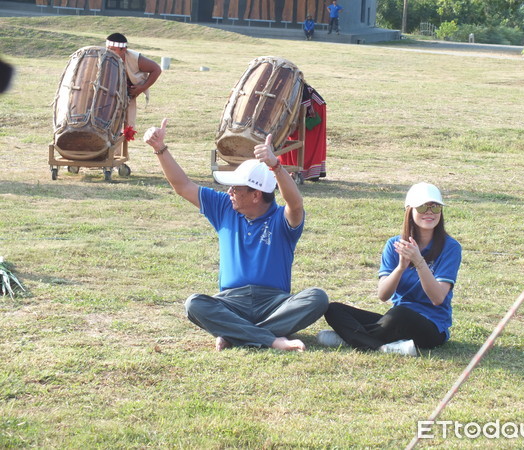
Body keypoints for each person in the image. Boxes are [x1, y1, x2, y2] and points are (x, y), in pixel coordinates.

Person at [143, 119, 329, 352]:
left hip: (275, 302)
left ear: (256, 195)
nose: (228, 192)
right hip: (230, 302)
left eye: (236, 188)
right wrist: (160, 149)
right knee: (194, 304)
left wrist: (276, 166)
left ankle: (234, 333)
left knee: (317, 298)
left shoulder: (282, 218)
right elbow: (183, 186)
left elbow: (296, 203)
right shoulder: (224, 207)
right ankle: (271, 338)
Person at [318, 183, 462, 355]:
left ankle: (349, 338)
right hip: (394, 320)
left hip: (432, 326)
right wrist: (401, 267)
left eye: (435, 207)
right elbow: (383, 295)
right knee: (333, 309)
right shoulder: (394, 245)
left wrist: (419, 261)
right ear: (409, 210)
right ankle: (382, 347)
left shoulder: (450, 247)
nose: (429, 212)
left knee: (399, 314)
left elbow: (437, 298)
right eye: (423, 207)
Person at [106, 33, 162, 128]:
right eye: (108, 49)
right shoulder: (104, 56)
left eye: (113, 50)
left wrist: (142, 87)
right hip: (107, 94)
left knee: (127, 126)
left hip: (127, 94)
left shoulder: (135, 58)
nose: (109, 52)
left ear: (123, 50)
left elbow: (156, 69)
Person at [279, 83, 327, 181]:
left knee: (308, 140)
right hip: (302, 105)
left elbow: (304, 100)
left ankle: (307, 171)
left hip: (313, 108)